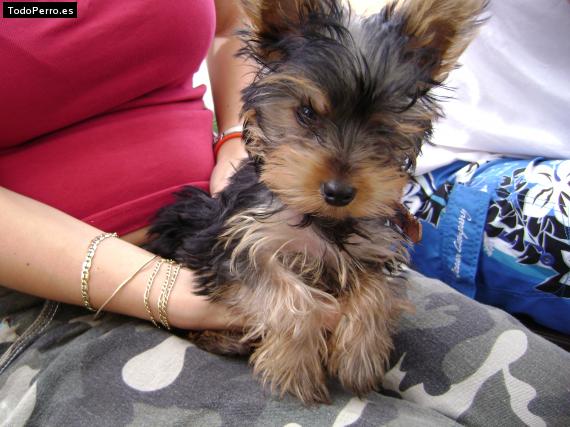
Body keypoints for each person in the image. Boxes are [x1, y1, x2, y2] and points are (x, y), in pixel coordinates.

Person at [1, 1, 569, 425]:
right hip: (64, 298)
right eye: (310, 116)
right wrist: (168, 291)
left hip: (233, 203)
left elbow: (227, 30)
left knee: (549, 393)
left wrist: (234, 139)